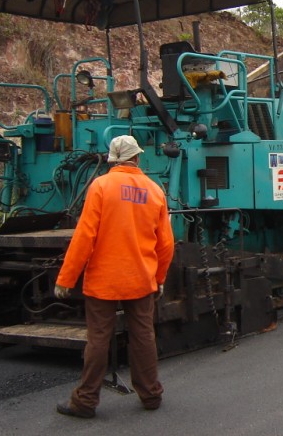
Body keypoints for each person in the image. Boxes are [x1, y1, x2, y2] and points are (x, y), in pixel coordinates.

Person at [54, 135, 175, 419]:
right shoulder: (154, 190)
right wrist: (159, 277)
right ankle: (151, 395)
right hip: (141, 278)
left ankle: (85, 402)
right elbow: (166, 243)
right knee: (143, 335)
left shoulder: (101, 186)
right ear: (137, 158)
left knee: (98, 339)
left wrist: (66, 278)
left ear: (112, 159)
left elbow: (85, 236)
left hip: (104, 280)